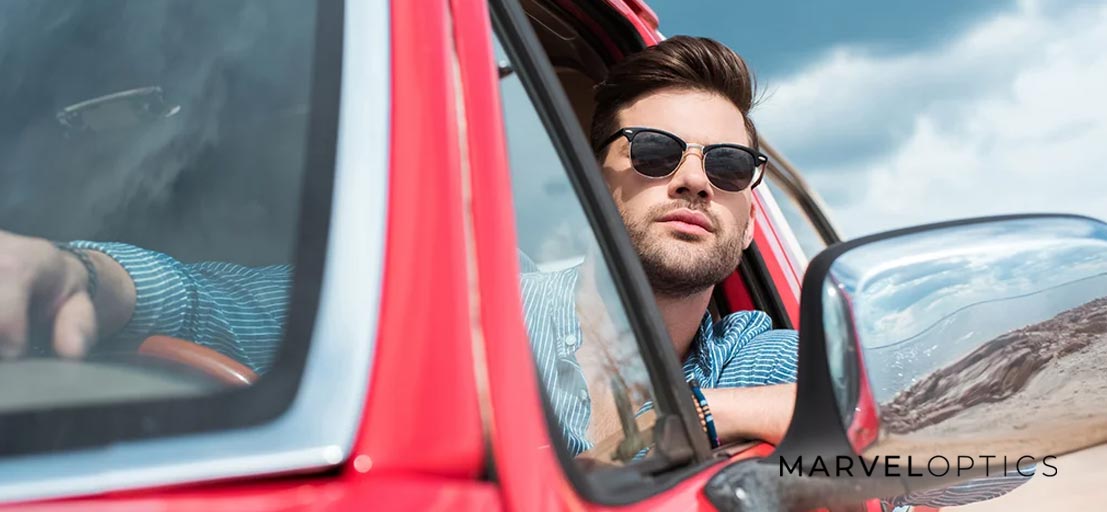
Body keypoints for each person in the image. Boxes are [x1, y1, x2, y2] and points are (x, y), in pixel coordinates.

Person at [0, 35, 1024, 506]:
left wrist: (712, 416)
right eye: (657, 154)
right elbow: (244, 305)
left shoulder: (763, 343)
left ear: (754, 207)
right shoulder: (475, 307)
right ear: (594, 175)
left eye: (727, 165)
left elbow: (901, 410)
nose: (694, 182)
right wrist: (89, 277)